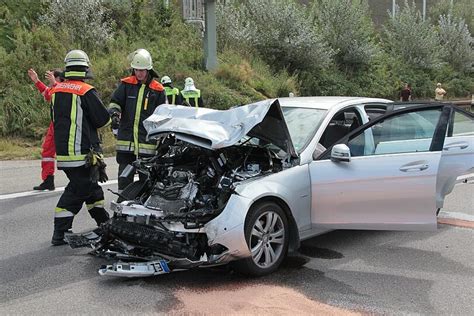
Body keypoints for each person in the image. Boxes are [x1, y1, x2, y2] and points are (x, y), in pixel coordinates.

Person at [49, 50, 111, 245]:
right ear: (85, 68)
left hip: (65, 154)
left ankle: (106, 225)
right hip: (82, 154)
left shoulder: (56, 90)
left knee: (92, 189)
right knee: (78, 190)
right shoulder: (85, 90)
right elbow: (102, 120)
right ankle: (60, 232)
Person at [108, 49, 166, 191]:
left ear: (149, 69)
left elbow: (163, 115)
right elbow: (115, 102)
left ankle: (143, 208)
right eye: (137, 70)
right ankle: (123, 206)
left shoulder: (158, 90)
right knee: (124, 179)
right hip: (126, 143)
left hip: (147, 144)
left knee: (146, 181)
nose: (139, 73)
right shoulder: (126, 85)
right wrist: (114, 114)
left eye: (142, 70)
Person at [27, 68, 63, 190]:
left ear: (58, 78)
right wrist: (36, 81)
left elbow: (60, 94)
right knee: (47, 152)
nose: (49, 80)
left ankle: (81, 180)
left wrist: (54, 83)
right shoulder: (55, 88)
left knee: (71, 155)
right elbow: (47, 93)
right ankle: (48, 180)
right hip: (55, 125)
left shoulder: (65, 89)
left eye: (51, 77)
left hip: (66, 126)